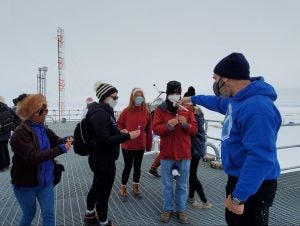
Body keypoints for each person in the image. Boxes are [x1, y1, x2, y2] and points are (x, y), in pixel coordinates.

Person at [181, 52, 281, 226]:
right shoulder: (238, 101)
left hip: (254, 186)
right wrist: (192, 99)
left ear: (225, 79)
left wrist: (238, 197)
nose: (214, 84)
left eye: (215, 78)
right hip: (239, 179)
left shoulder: (257, 108)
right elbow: (217, 102)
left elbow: (260, 158)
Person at [9, 94, 73, 226]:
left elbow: (57, 141)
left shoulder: (43, 128)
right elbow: (33, 157)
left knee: (49, 214)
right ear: (34, 113)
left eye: (47, 109)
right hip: (25, 184)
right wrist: (61, 149)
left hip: (46, 182)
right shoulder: (19, 133)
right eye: (44, 110)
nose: (46, 113)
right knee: (29, 214)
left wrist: (72, 138)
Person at [84, 81, 141, 226]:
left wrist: (119, 132)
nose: (116, 99)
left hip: (100, 158)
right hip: (104, 160)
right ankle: (103, 222)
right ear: (105, 97)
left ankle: (90, 215)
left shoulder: (102, 112)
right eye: (114, 97)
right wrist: (128, 136)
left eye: (117, 97)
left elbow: (105, 132)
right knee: (104, 193)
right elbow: (104, 139)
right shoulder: (100, 114)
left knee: (96, 187)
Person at [152, 81, 197, 224]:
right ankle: (167, 209)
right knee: (167, 184)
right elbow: (156, 129)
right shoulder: (160, 109)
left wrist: (186, 125)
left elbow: (194, 130)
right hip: (167, 154)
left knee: (182, 184)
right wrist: (168, 126)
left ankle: (181, 210)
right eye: (173, 92)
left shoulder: (187, 109)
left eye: (178, 93)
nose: (176, 95)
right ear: (167, 93)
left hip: (184, 153)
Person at [117, 88, 152, 201]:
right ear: (132, 97)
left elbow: (149, 129)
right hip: (128, 145)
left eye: (141, 95)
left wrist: (148, 144)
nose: (139, 97)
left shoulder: (146, 112)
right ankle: (123, 187)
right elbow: (119, 124)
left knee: (137, 167)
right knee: (127, 167)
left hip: (140, 145)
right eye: (137, 95)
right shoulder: (126, 111)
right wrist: (123, 131)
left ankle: (135, 187)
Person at [183, 86, 212, 209]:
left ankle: (204, 201)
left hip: (195, 148)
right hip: (196, 147)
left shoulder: (194, 113)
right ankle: (190, 197)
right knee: (191, 173)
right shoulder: (196, 111)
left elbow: (193, 131)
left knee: (192, 175)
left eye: (183, 103)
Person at [0, 96, 21, 171]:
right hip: (7, 131)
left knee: (1, 149)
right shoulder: (8, 108)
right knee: (5, 148)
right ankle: (7, 164)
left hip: (1, 132)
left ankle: (2, 166)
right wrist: (15, 128)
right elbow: (18, 118)